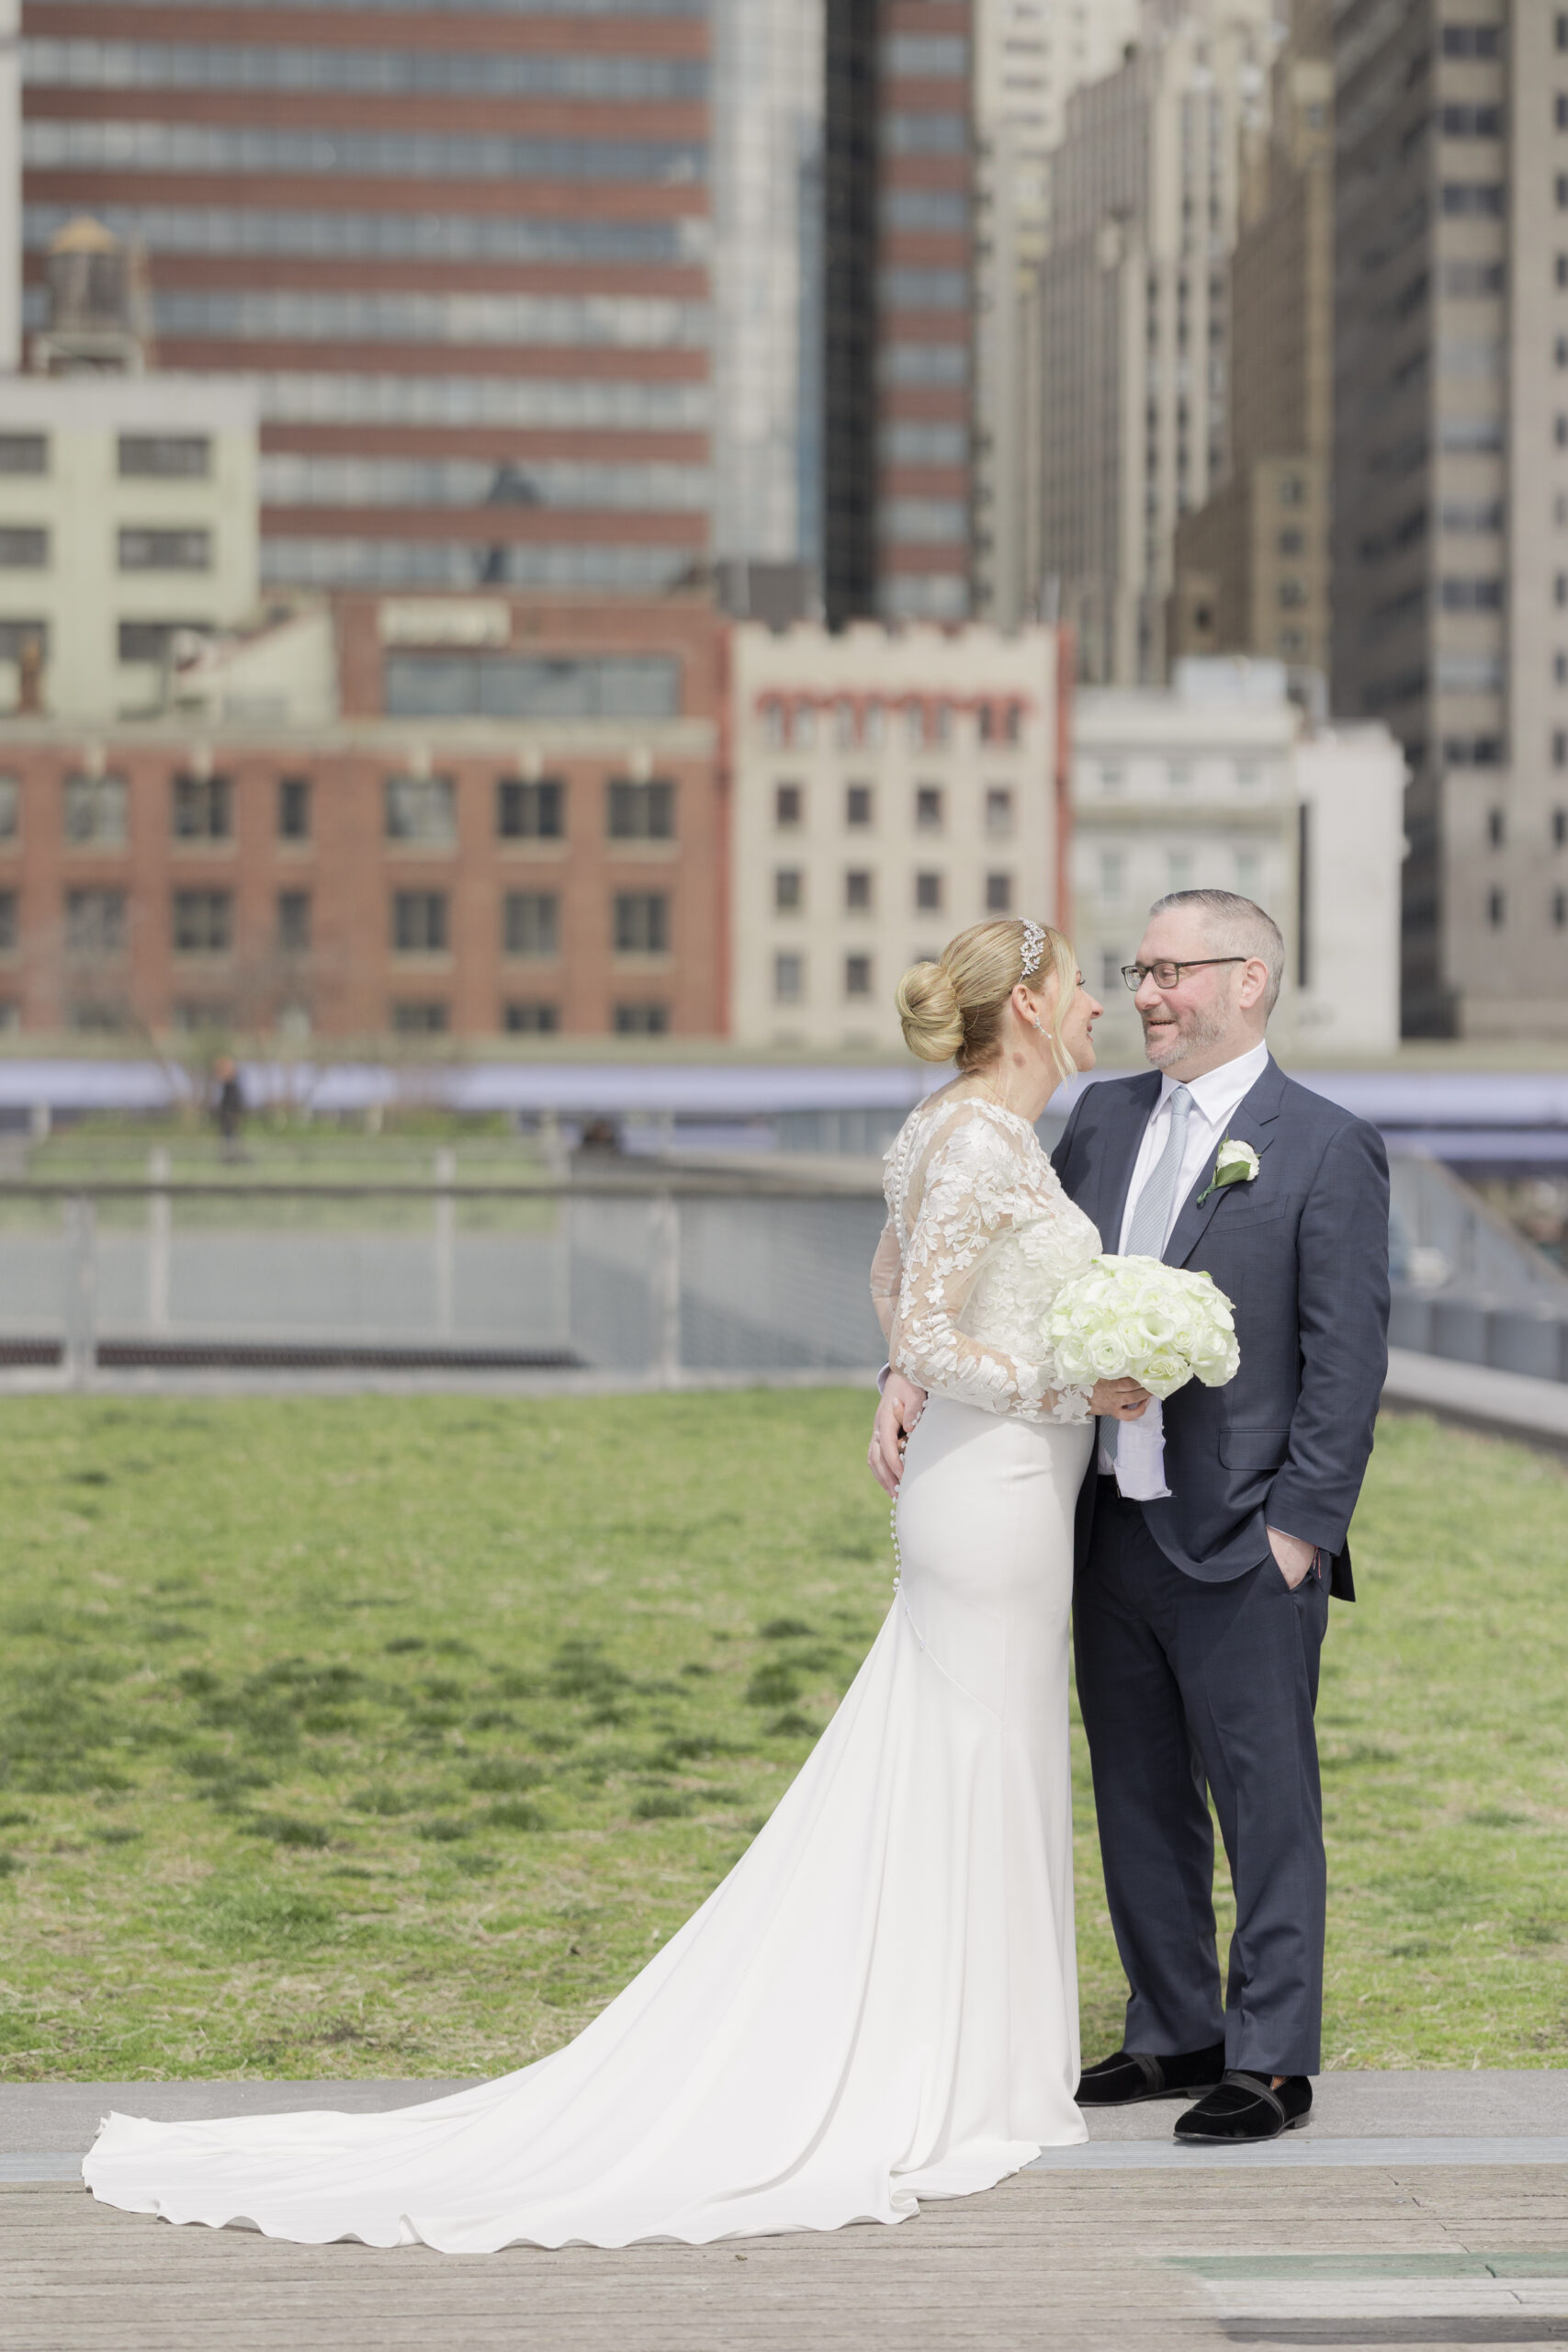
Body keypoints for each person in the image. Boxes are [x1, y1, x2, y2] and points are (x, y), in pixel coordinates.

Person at [85, 917, 1146, 2253]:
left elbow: (892, 1291)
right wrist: (1069, 1387)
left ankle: (974, 2045)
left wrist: (908, 1382)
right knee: (980, 1750)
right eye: (1081, 987)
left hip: (990, 1480)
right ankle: (968, 2065)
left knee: (968, 1752)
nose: (1100, 1002)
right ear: (1035, 1011)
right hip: (993, 1488)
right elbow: (930, 1321)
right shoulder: (987, 1145)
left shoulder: (942, 1128)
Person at [874, 890, 1390, 2145]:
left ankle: (1270, 2059)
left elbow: (1347, 1357)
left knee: (1267, 1799)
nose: (1148, 992)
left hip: (1244, 1535)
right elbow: (982, 1264)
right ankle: (1173, 2028)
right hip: (1101, 1525)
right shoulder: (1097, 1119)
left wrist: (1300, 1529)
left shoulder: (1322, 1144)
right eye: (1137, 971)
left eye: (1173, 972)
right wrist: (904, 1367)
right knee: (1139, 1791)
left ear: (1250, 980)